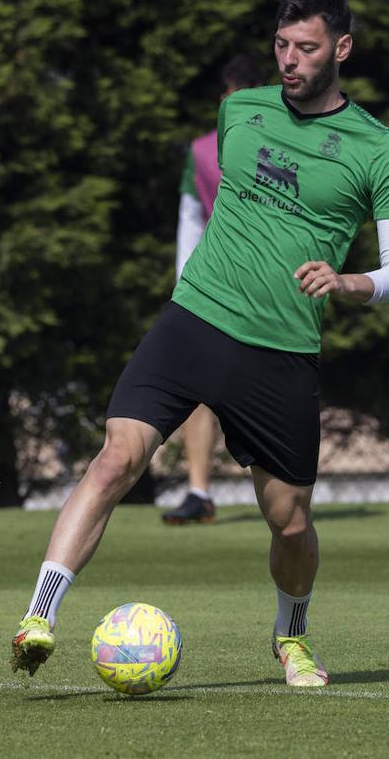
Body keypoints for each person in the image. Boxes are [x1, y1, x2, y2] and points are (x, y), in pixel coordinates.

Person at [11, 0, 389, 687]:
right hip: (195, 319)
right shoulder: (240, 111)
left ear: (342, 49)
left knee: (289, 523)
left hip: (282, 350)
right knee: (116, 457)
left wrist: (351, 283)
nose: (289, 61)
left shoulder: (381, 151)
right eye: (281, 46)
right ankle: (38, 618)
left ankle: (292, 637)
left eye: (308, 48)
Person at [161, 54, 265, 526]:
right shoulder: (203, 150)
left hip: (268, 285)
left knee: (264, 384)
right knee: (198, 387)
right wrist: (186, 283)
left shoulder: (284, 148)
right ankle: (199, 491)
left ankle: (282, 491)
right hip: (213, 284)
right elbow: (190, 217)